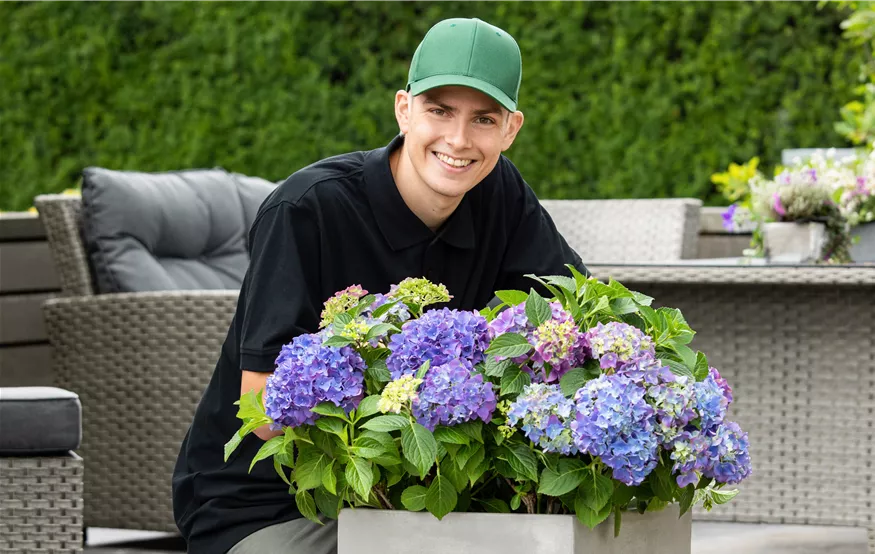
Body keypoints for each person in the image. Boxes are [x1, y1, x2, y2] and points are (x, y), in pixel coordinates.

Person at [172, 17, 588, 554]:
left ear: (511, 129)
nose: (458, 140)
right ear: (403, 109)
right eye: (440, 110)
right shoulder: (307, 209)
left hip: (426, 498)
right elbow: (260, 412)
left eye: (483, 119)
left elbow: (571, 316)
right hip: (264, 504)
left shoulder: (500, 194)